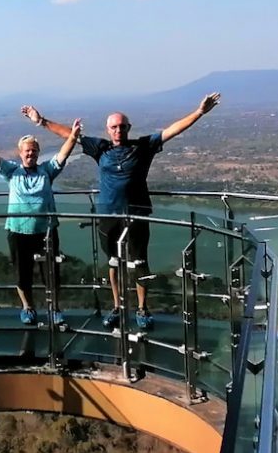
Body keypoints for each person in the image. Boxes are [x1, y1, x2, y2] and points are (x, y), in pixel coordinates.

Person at [21, 94, 221, 330]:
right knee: (113, 263)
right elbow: (70, 135)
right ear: (108, 130)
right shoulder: (100, 148)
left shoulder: (142, 146)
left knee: (140, 262)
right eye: (114, 127)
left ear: (129, 128)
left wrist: (199, 112)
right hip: (108, 215)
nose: (118, 130)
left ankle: (142, 309)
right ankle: (117, 307)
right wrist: (41, 121)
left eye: (122, 126)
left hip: (136, 215)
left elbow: (172, 131)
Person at [0, 117, 82, 324]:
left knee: (51, 273)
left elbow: (63, 154)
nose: (30, 154)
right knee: (22, 274)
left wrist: (74, 136)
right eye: (27, 151)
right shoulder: (12, 172)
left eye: (33, 150)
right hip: (18, 231)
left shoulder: (47, 171)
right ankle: (28, 308)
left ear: (38, 153)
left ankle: (54, 309)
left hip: (46, 231)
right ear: (20, 153)